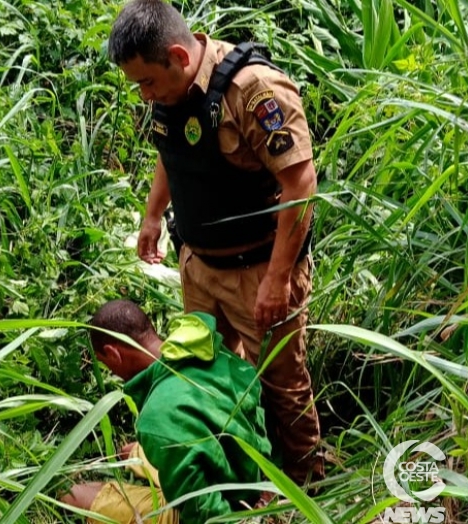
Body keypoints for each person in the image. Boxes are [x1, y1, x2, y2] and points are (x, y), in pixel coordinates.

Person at [108, 0, 323, 486]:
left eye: (147, 81)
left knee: (281, 384)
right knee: (208, 371)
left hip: (258, 269)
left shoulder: (253, 92)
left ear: (180, 57)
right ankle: (238, 470)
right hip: (200, 264)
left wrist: (278, 278)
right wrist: (152, 214)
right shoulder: (170, 94)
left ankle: (309, 483)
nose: (144, 95)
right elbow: (173, 149)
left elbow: (300, 184)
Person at [62, 299, 272, 524]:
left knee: (71, 494)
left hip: (228, 505)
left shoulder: (157, 419)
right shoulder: (202, 347)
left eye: (106, 364)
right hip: (251, 471)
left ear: (113, 353)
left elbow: (202, 509)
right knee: (129, 452)